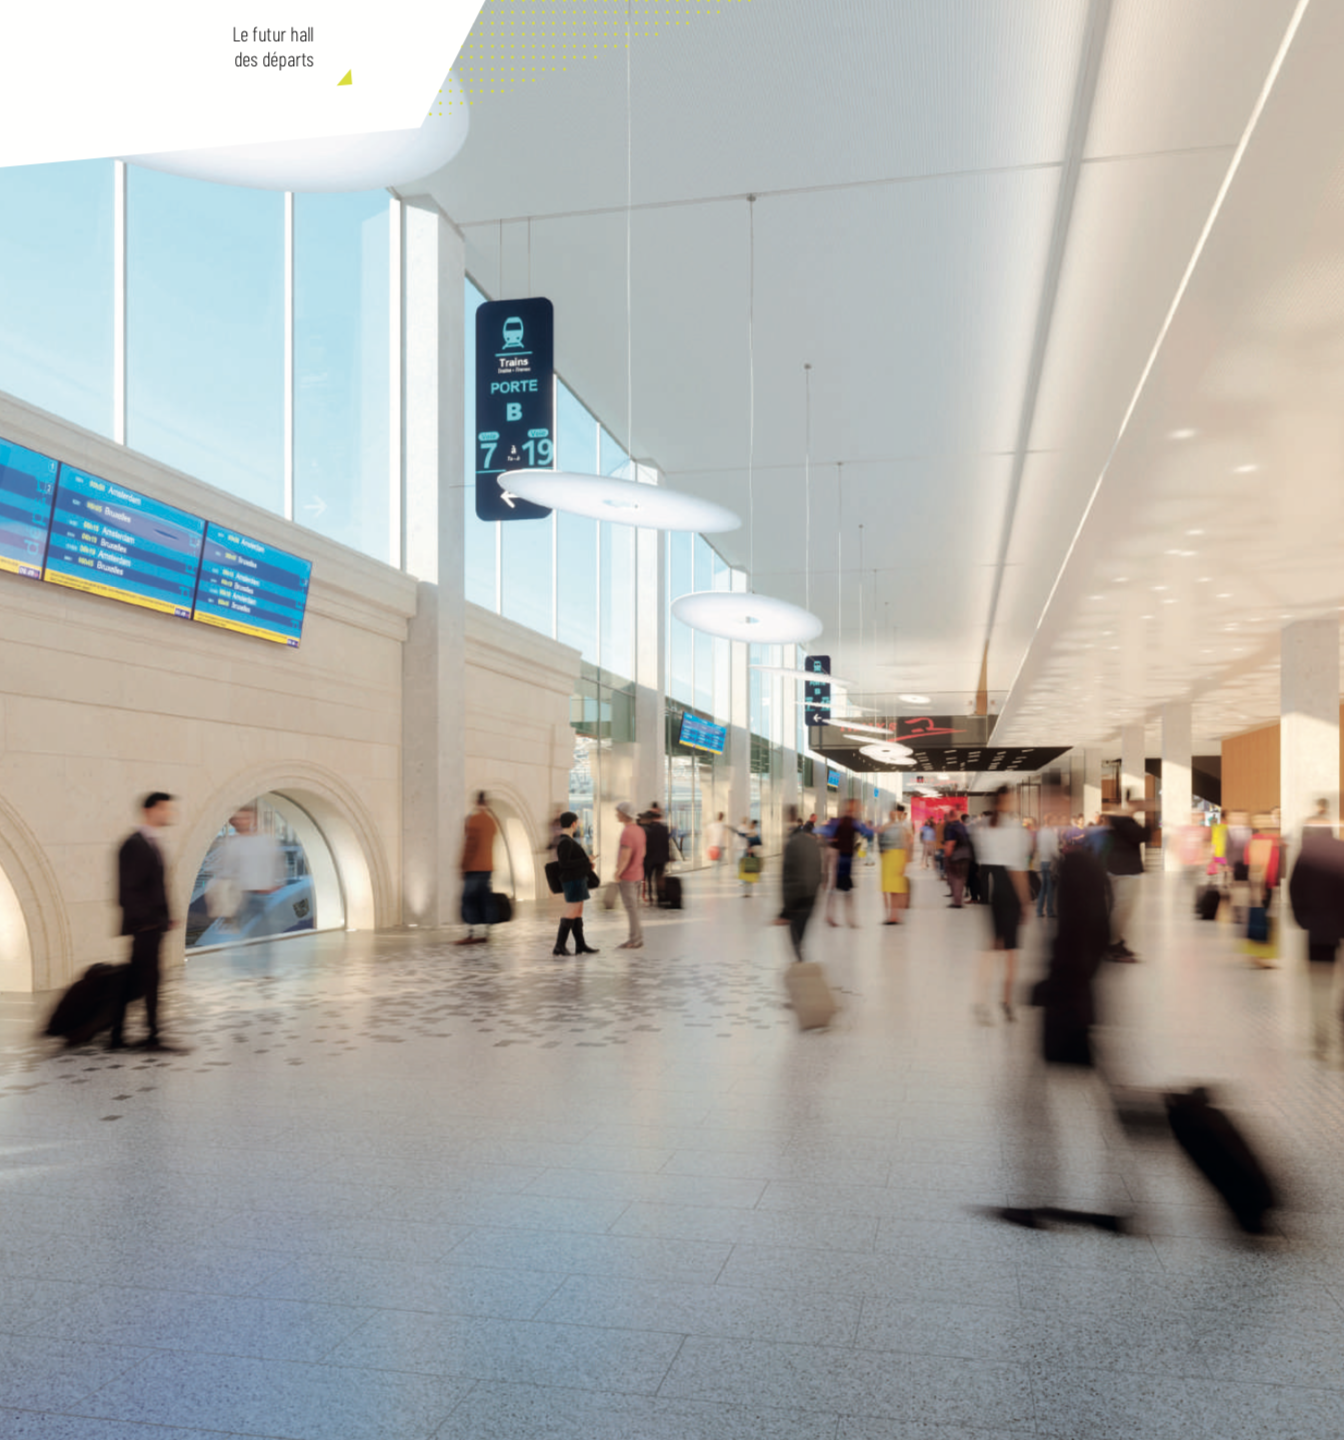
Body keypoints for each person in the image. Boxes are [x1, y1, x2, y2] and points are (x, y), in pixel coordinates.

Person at [997, 844, 1131, 1232]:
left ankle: (1037, 1201)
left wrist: (1039, 991)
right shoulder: (1097, 909)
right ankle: (1116, 1204)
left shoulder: (1073, 914)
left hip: (1064, 1017)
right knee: (1104, 1110)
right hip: (1087, 1012)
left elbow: (1066, 963)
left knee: (1034, 1108)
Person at [109, 792, 185, 1053]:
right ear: (148, 811)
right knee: (149, 980)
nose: (168, 814)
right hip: (145, 927)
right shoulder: (134, 844)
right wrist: (147, 922)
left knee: (137, 980)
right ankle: (151, 1035)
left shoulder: (151, 843)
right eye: (164, 809)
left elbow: (155, 886)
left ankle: (117, 1035)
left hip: (153, 924)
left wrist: (167, 916)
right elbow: (127, 890)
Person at [973, 785, 1032, 1024]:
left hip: (993, 893)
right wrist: (1025, 902)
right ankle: (1006, 1002)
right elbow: (1018, 871)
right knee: (1010, 952)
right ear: (1006, 802)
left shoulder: (985, 828)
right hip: (1009, 893)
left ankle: (981, 999)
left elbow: (983, 864)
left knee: (992, 947)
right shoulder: (1015, 830)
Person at [1288, 813, 1344, 1061]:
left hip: (1319, 933)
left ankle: (1321, 1041)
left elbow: (1294, 891)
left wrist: (1305, 922)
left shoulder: (1306, 857)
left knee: (1321, 987)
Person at [215, 805, 284, 938]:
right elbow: (224, 871)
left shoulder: (266, 840)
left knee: (263, 936)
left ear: (254, 820)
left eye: (247, 818)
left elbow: (277, 863)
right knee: (239, 937)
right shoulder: (230, 843)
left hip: (262, 896)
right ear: (232, 821)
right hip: (238, 897)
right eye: (239, 818)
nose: (243, 821)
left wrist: (274, 883)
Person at [1102, 800, 1150, 961]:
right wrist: (1148, 820)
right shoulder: (1123, 822)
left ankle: (1115, 942)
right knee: (1122, 908)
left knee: (1119, 908)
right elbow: (1143, 835)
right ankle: (1113, 945)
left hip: (1117, 868)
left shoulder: (1117, 822)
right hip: (1125, 870)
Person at [552, 811, 598, 957]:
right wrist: (586, 860)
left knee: (577, 912)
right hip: (572, 881)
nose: (577, 825)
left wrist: (586, 865)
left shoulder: (568, 840)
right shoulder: (565, 841)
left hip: (577, 879)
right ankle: (559, 946)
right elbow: (564, 864)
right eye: (577, 823)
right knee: (571, 911)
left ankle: (580, 944)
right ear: (573, 823)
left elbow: (571, 862)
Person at [779, 805, 822, 961]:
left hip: (798, 891)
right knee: (801, 923)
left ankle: (798, 951)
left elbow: (787, 872)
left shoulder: (792, 840)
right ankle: (799, 951)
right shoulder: (807, 837)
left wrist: (785, 909)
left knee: (795, 925)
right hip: (808, 890)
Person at [456, 791, 498, 945]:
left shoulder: (474, 820)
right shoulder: (491, 821)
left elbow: (470, 846)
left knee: (469, 900)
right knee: (484, 899)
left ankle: (472, 933)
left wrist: (463, 865)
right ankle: (484, 933)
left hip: (474, 867)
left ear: (476, 802)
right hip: (488, 866)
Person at [824, 799, 873, 927]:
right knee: (844, 890)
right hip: (844, 858)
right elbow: (866, 832)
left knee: (839, 889)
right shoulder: (850, 822)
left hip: (844, 857)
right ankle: (846, 919)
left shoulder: (843, 821)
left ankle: (833, 916)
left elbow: (830, 836)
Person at [613, 800, 646, 950]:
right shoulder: (639, 830)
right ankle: (637, 938)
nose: (616, 815)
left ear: (624, 814)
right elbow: (643, 852)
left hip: (628, 876)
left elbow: (625, 856)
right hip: (638, 873)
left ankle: (635, 940)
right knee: (634, 909)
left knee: (631, 910)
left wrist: (618, 872)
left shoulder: (627, 832)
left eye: (618, 812)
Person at [878, 806, 913, 925]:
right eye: (892, 812)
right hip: (887, 859)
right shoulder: (886, 827)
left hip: (896, 858)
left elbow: (906, 845)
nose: (893, 813)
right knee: (888, 889)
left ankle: (895, 916)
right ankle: (892, 916)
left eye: (895, 812)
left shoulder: (901, 828)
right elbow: (881, 843)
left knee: (896, 890)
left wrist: (905, 863)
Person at [642, 804, 671, 906]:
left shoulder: (646, 829)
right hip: (661, 858)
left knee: (649, 878)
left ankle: (650, 896)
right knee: (659, 877)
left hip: (649, 858)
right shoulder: (664, 828)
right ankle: (660, 896)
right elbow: (666, 844)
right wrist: (668, 856)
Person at [943, 811, 971, 908]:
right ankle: (958, 901)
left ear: (950, 816)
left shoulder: (951, 827)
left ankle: (957, 902)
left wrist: (947, 857)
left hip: (955, 857)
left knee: (954, 879)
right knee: (960, 879)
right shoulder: (962, 826)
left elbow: (950, 844)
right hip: (965, 856)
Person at [1035, 813, 1060, 920]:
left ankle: (1039, 910)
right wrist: (1061, 857)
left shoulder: (1041, 832)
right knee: (1050, 889)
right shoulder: (1051, 833)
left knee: (1043, 887)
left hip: (1043, 861)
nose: (1056, 822)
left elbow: (1039, 846)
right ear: (1050, 821)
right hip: (1050, 863)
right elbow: (1054, 851)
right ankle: (1049, 911)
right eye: (1054, 820)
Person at [737, 818, 763, 894]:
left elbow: (758, 843)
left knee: (749, 870)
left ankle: (748, 888)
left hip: (750, 853)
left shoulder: (752, 832)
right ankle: (747, 887)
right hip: (748, 852)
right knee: (747, 870)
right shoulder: (752, 832)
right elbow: (759, 843)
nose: (752, 826)